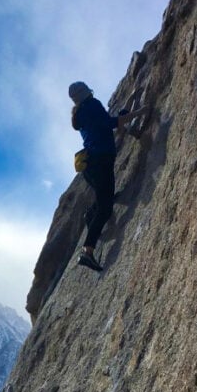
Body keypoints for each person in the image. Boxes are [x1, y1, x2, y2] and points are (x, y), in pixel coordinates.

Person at [69, 81, 147, 271]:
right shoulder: (92, 105)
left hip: (91, 165)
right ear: (86, 91)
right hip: (100, 162)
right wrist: (140, 112)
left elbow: (109, 123)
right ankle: (87, 252)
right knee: (105, 207)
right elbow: (114, 123)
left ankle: (90, 215)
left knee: (105, 197)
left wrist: (130, 99)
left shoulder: (81, 112)